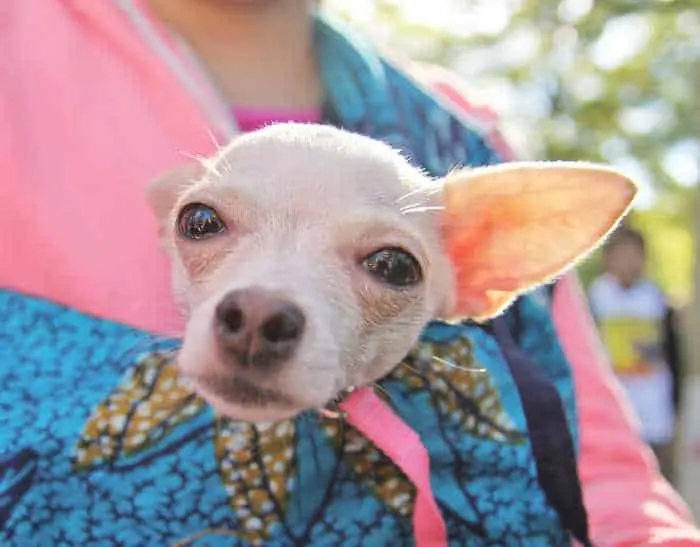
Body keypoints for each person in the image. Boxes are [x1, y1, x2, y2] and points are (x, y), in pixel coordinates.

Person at [1, 1, 698, 545]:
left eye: (389, 264)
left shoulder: (458, 131)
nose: (261, 312)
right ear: (169, 223)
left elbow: (595, 470)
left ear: (474, 270)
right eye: (206, 225)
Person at [589, 225, 684, 484]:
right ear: (607, 258)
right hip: (613, 409)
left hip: (655, 408)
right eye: (621, 254)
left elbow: (675, 356)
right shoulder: (596, 298)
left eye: (634, 254)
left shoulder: (657, 299)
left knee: (660, 480)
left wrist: (677, 407)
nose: (628, 261)